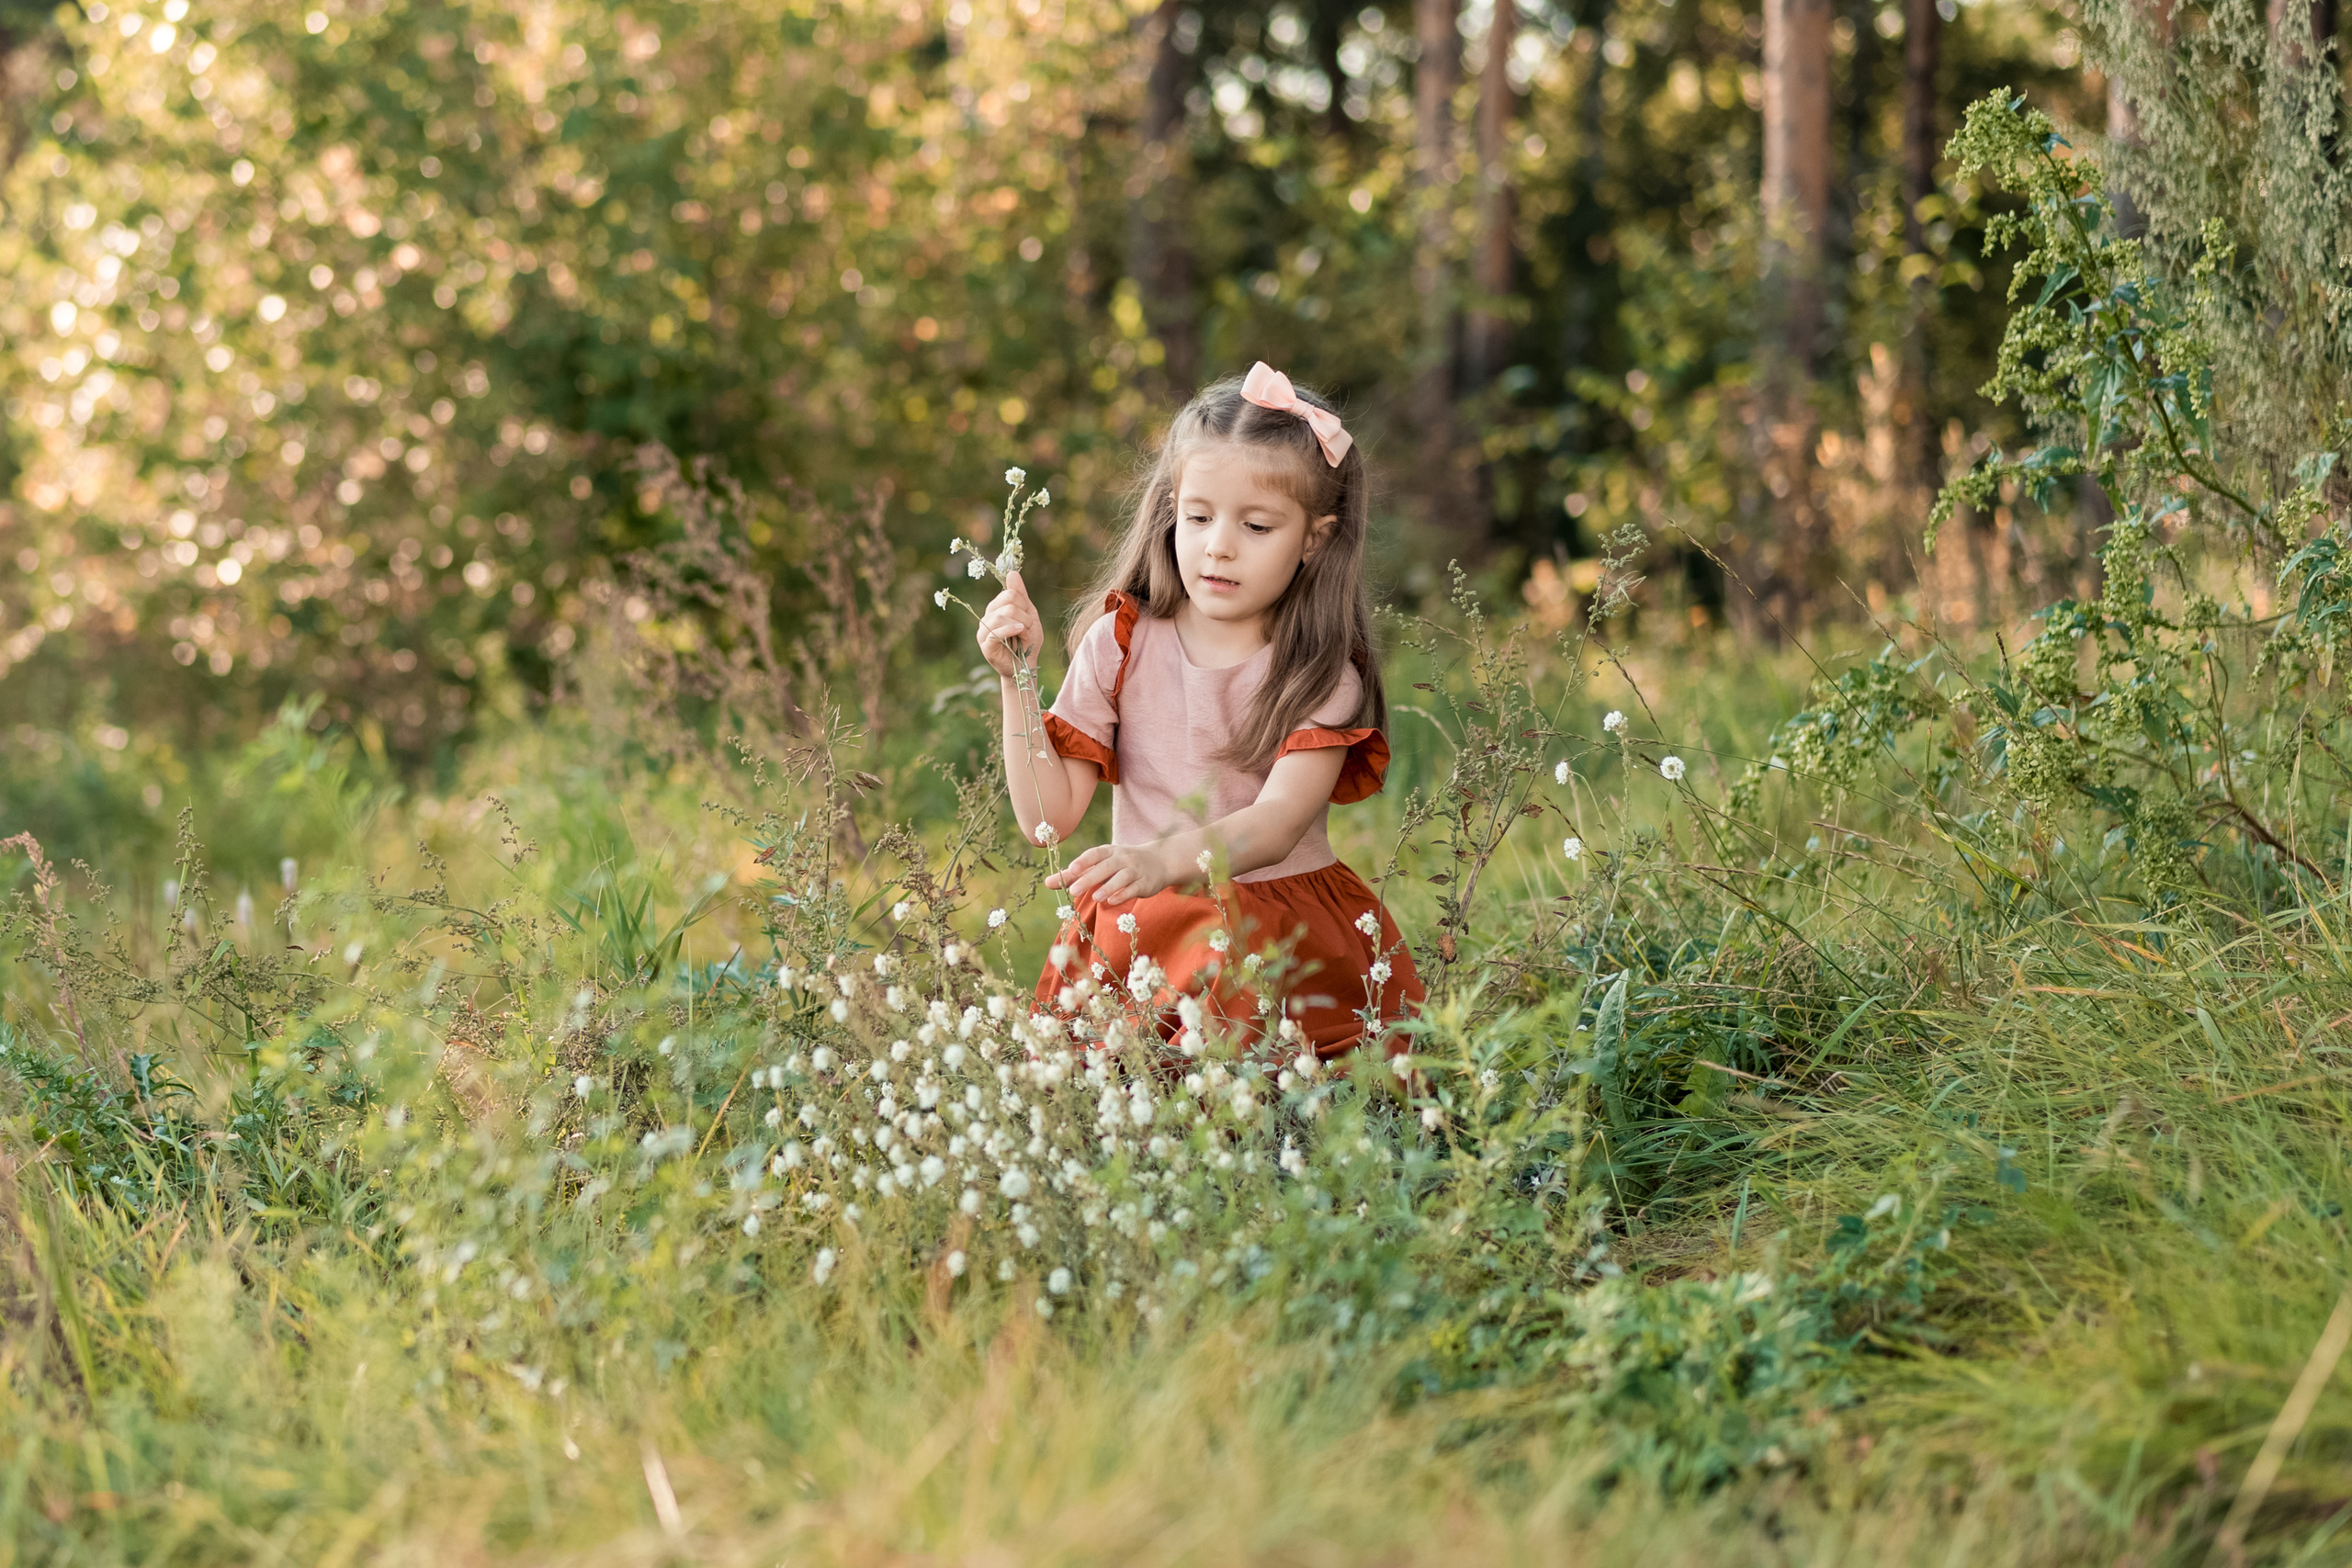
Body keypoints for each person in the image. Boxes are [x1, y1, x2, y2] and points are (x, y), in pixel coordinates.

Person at [974, 362, 1423, 1059]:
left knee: (1279, 1108)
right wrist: (1018, 681)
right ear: (1171, 511)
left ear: (1314, 538)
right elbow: (1047, 817)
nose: (1219, 544)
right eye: (1199, 517)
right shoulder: (1120, 643)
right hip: (1143, 932)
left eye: (1257, 525)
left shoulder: (1318, 674)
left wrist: (1161, 862)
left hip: (1276, 927)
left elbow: (1273, 827)